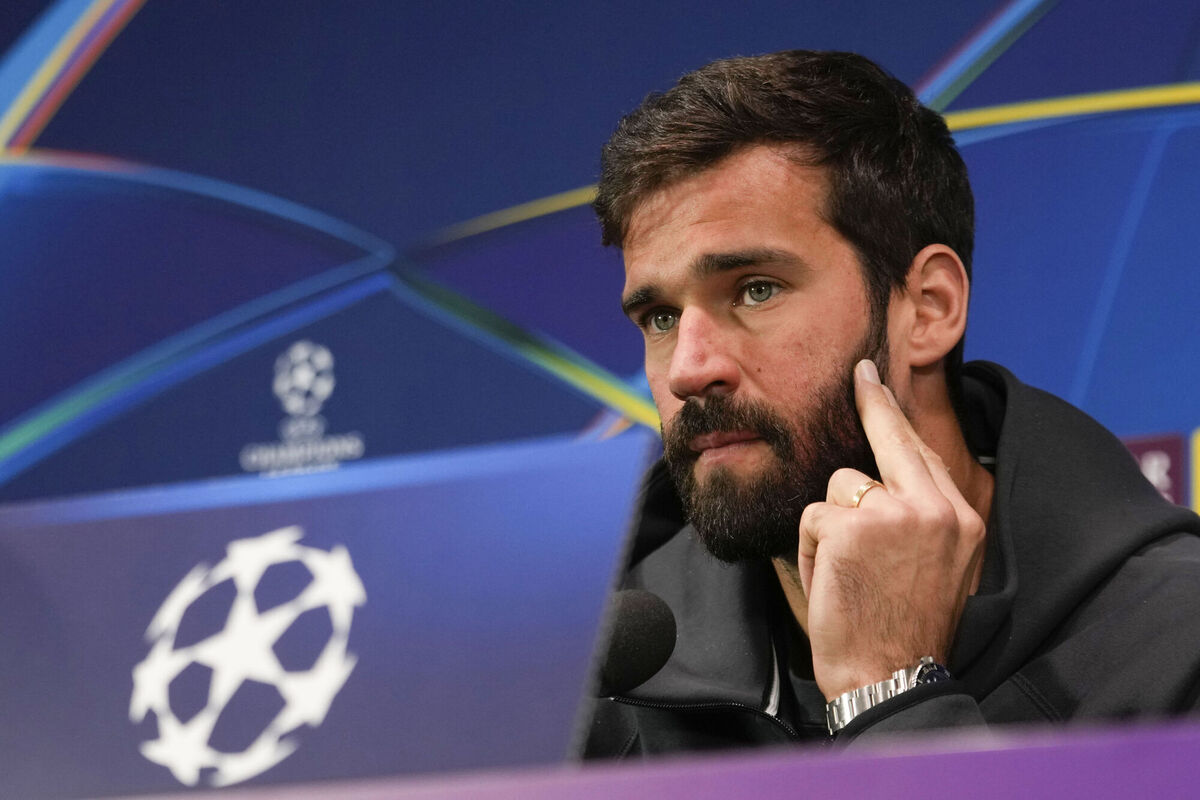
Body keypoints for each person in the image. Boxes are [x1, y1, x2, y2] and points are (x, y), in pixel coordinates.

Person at [584, 50, 1200, 757]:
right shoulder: (601, 670)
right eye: (661, 317)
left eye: (756, 290)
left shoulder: (1174, 646)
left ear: (929, 308)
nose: (689, 369)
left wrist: (891, 691)